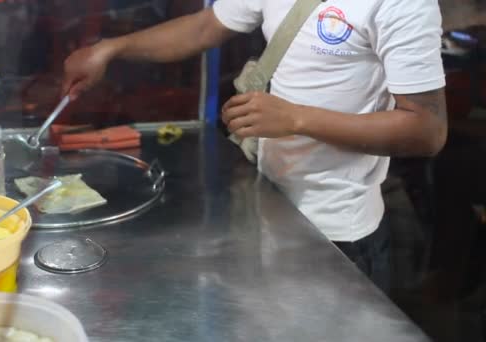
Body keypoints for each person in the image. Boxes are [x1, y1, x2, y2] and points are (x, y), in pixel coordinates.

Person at [61, 0, 448, 292]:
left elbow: (427, 129)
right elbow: (204, 27)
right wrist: (111, 48)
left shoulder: (405, 4)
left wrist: (297, 118)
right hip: (265, 208)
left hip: (336, 234)